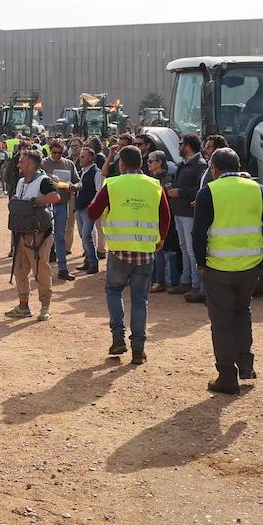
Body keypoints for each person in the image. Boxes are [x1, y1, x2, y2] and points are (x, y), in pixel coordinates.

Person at [192, 147, 263, 394]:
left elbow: (198, 233)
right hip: (250, 268)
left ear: (214, 169)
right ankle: (245, 365)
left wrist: (200, 263)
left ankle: (227, 375)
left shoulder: (207, 192)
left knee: (221, 321)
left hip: (218, 267)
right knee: (242, 312)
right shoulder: (258, 190)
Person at [86, 145, 171, 364]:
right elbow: (165, 216)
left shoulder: (112, 184)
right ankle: (138, 349)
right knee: (140, 300)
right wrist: (160, 239)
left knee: (113, 290)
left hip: (119, 250)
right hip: (145, 251)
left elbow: (93, 211)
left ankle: (118, 338)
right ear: (141, 163)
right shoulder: (155, 185)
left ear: (122, 163)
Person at [7, 150, 61, 320]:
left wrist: (35, 201)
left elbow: (55, 196)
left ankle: (45, 307)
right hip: (22, 233)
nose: (18, 165)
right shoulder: (22, 181)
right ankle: (23, 306)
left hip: (39, 235)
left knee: (40, 271)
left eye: (21, 162)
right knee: (20, 271)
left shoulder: (43, 181)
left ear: (31, 165)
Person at [168, 132, 208, 301]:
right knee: (184, 248)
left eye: (181, 143)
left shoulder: (199, 165)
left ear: (188, 146)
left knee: (192, 251)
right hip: (179, 212)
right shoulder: (184, 164)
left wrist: (180, 192)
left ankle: (196, 285)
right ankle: (186, 280)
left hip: (189, 214)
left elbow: (201, 189)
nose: (179, 146)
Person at [41, 141, 78, 281]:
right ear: (50, 151)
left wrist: (73, 187)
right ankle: (41, 270)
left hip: (62, 204)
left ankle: (62, 269)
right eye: (54, 152)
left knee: (60, 237)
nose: (57, 155)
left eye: (60, 153)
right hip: (46, 205)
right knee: (44, 237)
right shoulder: (43, 164)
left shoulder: (69, 164)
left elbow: (78, 182)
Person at [146, 150, 178, 292]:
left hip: (162, 219)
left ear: (159, 162)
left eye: (151, 161)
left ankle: (160, 281)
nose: (148, 164)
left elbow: (167, 200)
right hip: (152, 217)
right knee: (154, 250)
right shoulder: (151, 178)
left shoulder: (166, 178)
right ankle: (154, 279)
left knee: (160, 249)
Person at [74, 146, 104, 274]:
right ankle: (88, 261)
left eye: (83, 156)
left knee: (87, 236)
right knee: (83, 236)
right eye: (80, 156)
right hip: (79, 208)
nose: (80, 158)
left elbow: (99, 191)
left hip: (87, 209)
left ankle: (93, 264)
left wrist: (91, 205)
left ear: (91, 158)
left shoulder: (96, 172)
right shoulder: (84, 171)